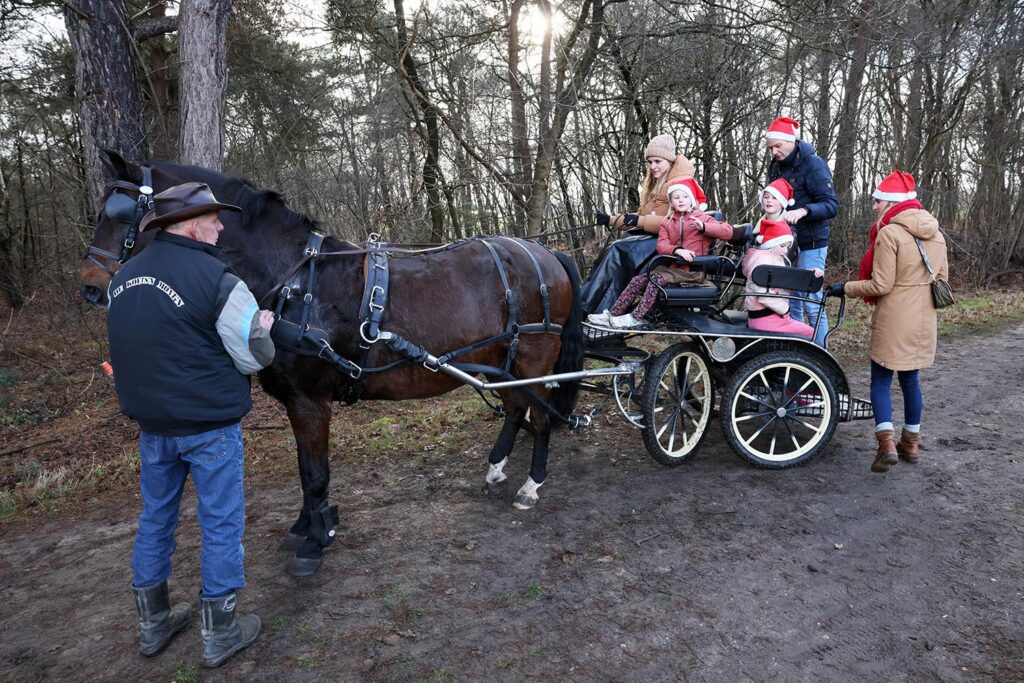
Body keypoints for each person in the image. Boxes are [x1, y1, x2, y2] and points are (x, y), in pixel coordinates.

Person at [106, 182, 276, 667]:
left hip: (153, 428)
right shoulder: (220, 281)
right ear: (191, 224)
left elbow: (137, 345)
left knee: (156, 517)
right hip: (209, 428)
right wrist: (260, 330)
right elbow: (254, 359)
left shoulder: (123, 279)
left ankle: (153, 623)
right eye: (215, 219)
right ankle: (220, 631)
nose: (222, 227)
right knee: (221, 522)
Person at [826, 171, 947, 473]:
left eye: (878, 200)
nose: (874, 206)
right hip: (924, 319)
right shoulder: (937, 233)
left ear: (892, 203)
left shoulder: (890, 234)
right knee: (910, 380)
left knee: (880, 380)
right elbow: (942, 279)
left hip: (894, 316)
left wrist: (846, 287)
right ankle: (912, 443)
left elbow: (881, 285)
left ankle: (886, 444)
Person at [590, 177, 732, 329]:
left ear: (691, 200)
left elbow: (728, 232)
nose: (681, 200)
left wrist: (704, 227)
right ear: (671, 202)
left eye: (685, 197)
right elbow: (662, 245)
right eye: (677, 197)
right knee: (638, 280)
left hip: (692, 272)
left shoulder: (704, 219)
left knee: (657, 279)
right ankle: (612, 314)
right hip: (672, 270)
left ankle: (636, 318)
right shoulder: (668, 222)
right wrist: (676, 250)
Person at [579, 134, 695, 315]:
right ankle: (588, 298)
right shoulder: (656, 183)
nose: (653, 167)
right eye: (649, 162)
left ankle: (596, 308)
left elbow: (675, 221)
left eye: (657, 161)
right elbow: (641, 216)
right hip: (653, 238)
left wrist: (639, 221)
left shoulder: (681, 184)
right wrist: (610, 219)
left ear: (670, 161)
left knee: (620, 248)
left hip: (672, 243)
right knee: (611, 248)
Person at [765, 116, 838, 346]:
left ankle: (821, 357)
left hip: (811, 243)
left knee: (811, 301)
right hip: (786, 244)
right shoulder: (775, 166)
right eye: (771, 147)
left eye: (778, 146)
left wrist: (804, 211)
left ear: (792, 141)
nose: (774, 151)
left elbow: (831, 204)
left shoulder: (813, 163)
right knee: (792, 300)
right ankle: (798, 355)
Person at [742, 219, 818, 340]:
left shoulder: (773, 258)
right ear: (771, 243)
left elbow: (783, 282)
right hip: (765, 318)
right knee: (811, 333)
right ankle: (794, 358)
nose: (785, 251)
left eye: (787, 247)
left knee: (809, 332)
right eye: (782, 246)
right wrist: (785, 309)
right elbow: (763, 295)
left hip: (766, 316)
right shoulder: (763, 262)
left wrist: (810, 275)